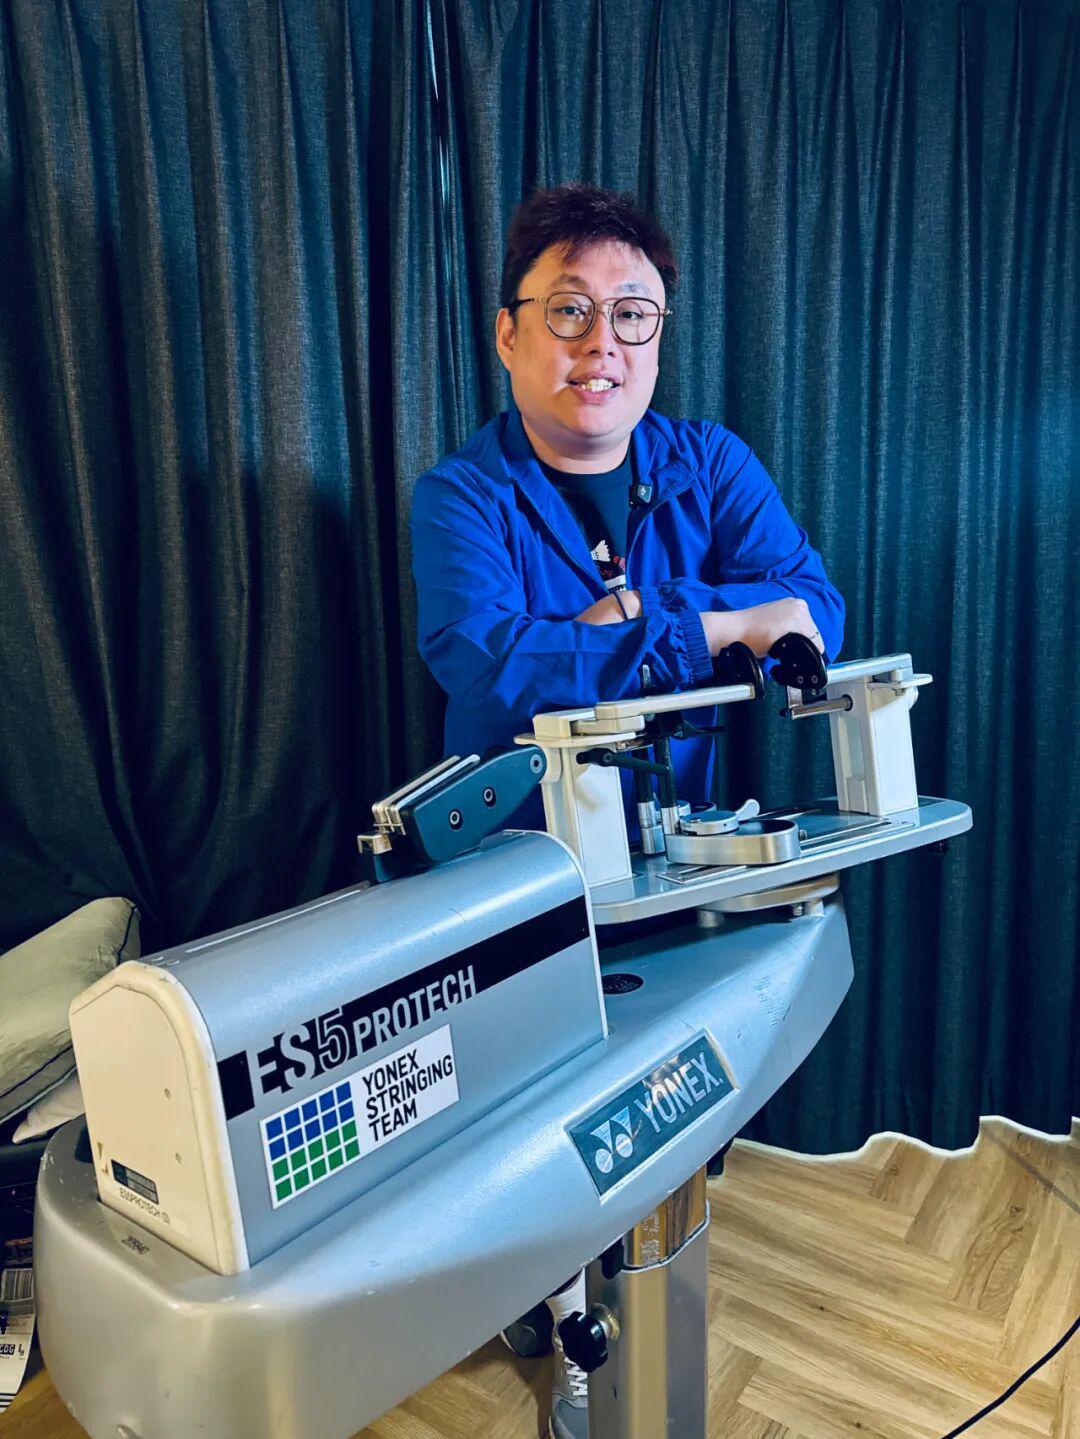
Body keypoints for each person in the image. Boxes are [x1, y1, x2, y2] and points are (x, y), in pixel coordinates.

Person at [410, 183, 844, 1439]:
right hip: (523, 873)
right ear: (508, 332)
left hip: (681, 855)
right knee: (541, 1122)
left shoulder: (711, 463)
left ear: (660, 334)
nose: (603, 343)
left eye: (633, 315)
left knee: (663, 1112)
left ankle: (625, 1304)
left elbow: (811, 611)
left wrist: (621, 627)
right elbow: (491, 665)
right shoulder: (460, 497)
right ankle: (559, 1325)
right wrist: (710, 627)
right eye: (569, 311)